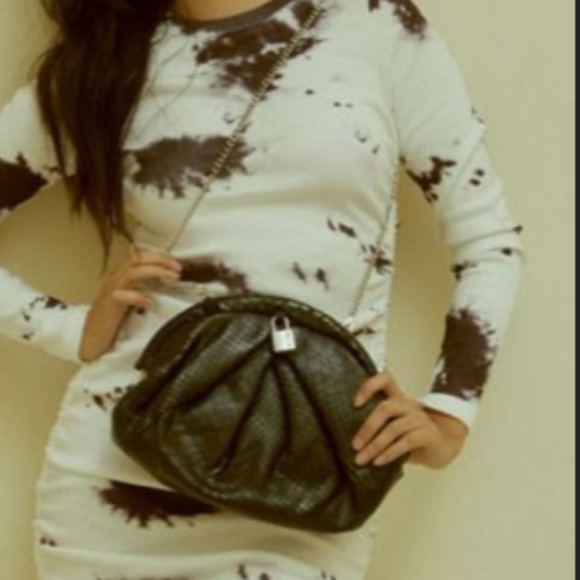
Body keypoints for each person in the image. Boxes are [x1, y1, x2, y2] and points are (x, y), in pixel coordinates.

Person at [0, 0, 527, 578]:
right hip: (118, 484)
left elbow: (489, 242)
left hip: (311, 480)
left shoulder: (374, 23)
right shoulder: (104, 64)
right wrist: (69, 327)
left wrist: (449, 412)